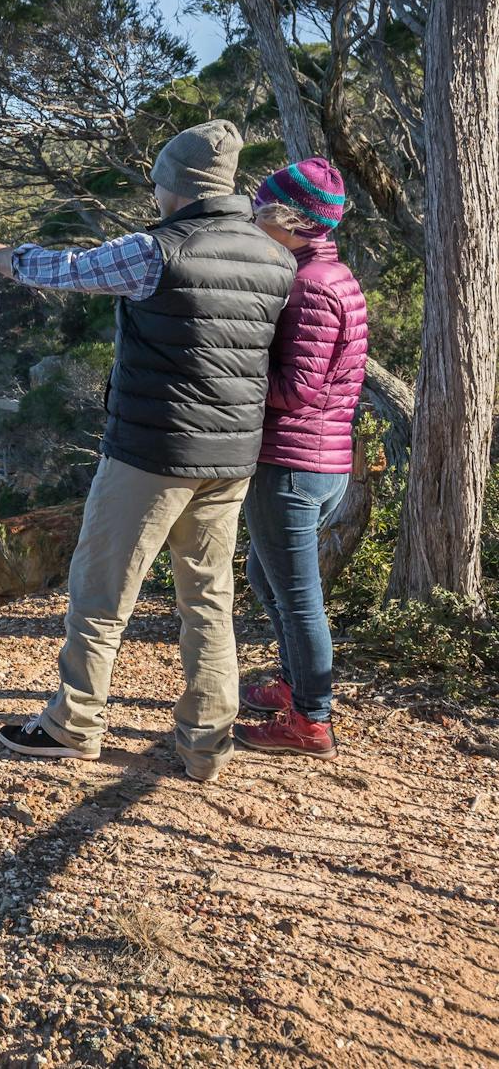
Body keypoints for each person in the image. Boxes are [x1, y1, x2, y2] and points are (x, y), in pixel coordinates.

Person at [0, 119, 296, 782]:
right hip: (230, 457)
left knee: (101, 593)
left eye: (160, 182)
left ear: (176, 186)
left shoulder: (157, 250)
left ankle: (72, 725)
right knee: (208, 598)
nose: (156, 193)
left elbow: (67, 271)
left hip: (151, 450)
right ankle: (206, 745)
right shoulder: (276, 257)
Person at [235, 160, 368, 759]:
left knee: (297, 595)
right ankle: (293, 687)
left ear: (292, 221)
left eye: (262, 212)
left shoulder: (310, 286)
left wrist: (232, 370)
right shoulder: (328, 273)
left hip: (293, 463)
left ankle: (311, 720)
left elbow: (297, 390)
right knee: (269, 576)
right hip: (322, 459)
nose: (254, 221)